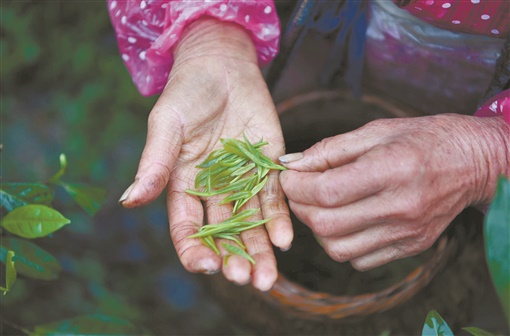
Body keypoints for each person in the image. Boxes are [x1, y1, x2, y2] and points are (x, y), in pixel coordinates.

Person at [110, 0, 509, 292]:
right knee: (283, 115)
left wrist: (489, 155)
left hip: (490, 66)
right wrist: (211, 34)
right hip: (315, 23)